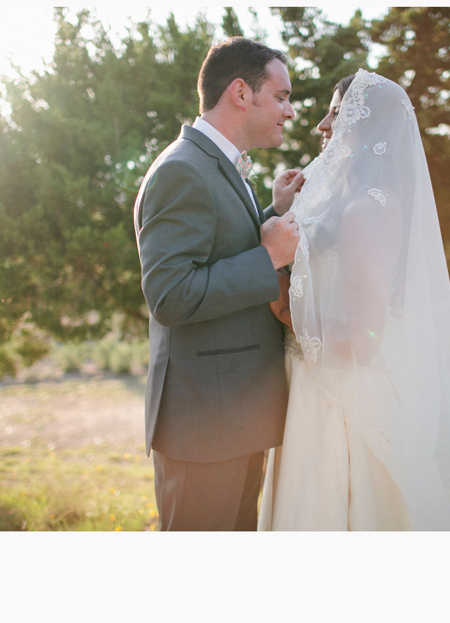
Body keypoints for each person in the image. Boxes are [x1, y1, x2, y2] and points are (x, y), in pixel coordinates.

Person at [259, 69, 450, 530]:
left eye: (336, 114)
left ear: (366, 128)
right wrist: (281, 213)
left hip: (338, 402)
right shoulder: (353, 202)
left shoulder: (365, 211)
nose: (321, 125)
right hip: (318, 387)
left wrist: (282, 308)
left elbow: (363, 339)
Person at [134, 37, 304, 531]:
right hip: (203, 428)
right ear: (240, 93)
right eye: (281, 96)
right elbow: (170, 295)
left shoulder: (214, 165)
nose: (289, 111)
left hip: (234, 417)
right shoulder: (182, 171)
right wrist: (269, 254)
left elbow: (221, 250)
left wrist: (275, 213)